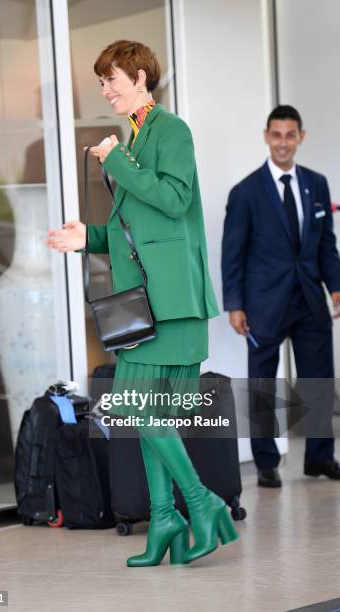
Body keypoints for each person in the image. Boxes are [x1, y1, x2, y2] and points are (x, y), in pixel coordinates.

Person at [47, 40, 238, 566]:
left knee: (141, 410)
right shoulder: (134, 136)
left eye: (112, 79)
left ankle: (202, 504)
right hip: (143, 305)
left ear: (140, 78)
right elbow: (134, 229)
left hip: (172, 303)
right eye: (102, 82)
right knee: (145, 415)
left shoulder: (170, 130)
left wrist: (118, 163)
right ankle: (165, 520)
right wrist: (87, 236)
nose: (106, 90)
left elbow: (175, 201)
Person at [222, 105, 340, 488]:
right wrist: (234, 304)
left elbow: (326, 246)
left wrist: (336, 287)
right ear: (266, 137)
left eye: (291, 135)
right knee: (262, 384)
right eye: (277, 135)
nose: (284, 143)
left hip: (309, 300)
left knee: (318, 380)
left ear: (300, 137)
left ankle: (320, 458)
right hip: (263, 305)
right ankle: (266, 463)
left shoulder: (317, 184)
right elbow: (232, 253)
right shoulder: (246, 192)